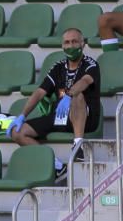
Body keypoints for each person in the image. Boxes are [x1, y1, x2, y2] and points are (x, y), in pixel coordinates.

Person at [7, 28, 101, 184]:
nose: (70, 45)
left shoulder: (91, 64)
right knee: (17, 132)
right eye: (67, 42)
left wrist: (69, 96)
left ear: (82, 44)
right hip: (60, 116)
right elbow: (39, 93)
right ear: (62, 46)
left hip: (85, 118)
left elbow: (84, 82)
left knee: (77, 96)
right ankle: (58, 167)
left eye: (74, 41)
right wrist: (22, 116)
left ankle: (78, 146)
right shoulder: (58, 67)